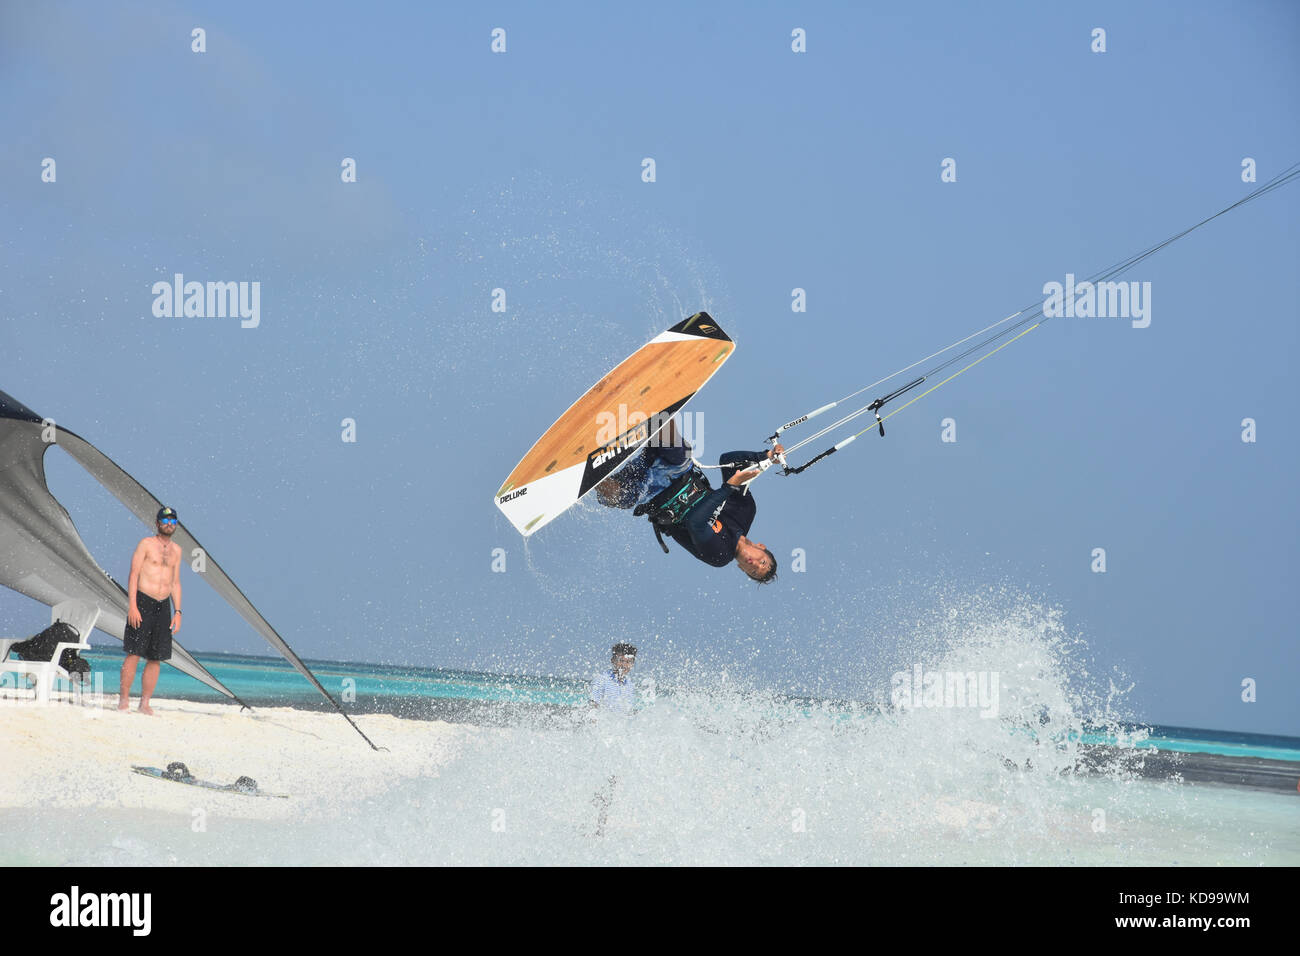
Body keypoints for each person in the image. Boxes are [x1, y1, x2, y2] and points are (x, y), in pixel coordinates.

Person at [595, 417, 780, 583]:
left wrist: (729, 487)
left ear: (742, 569)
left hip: (651, 495)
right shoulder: (745, 511)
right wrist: (765, 456)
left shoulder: (720, 555)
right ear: (761, 546)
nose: (754, 565)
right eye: (762, 562)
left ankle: (587, 469)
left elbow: (695, 522)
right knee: (679, 450)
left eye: (753, 572)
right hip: (676, 470)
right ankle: (657, 406)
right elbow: (728, 460)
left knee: (618, 497)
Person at [117, 506, 183, 715]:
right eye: (165, 520)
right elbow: (134, 574)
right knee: (134, 653)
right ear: (157, 523)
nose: (168, 524)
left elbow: (175, 583)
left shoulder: (177, 551)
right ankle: (124, 699)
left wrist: (178, 612)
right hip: (143, 601)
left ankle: (145, 703)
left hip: (163, 605)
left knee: (156, 657)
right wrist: (133, 606)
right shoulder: (146, 544)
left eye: (172, 521)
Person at [589, 643, 637, 716]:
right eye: (621, 660)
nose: (624, 665)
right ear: (613, 660)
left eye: (628, 662)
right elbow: (593, 706)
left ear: (632, 664)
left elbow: (628, 712)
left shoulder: (630, 685)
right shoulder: (601, 680)